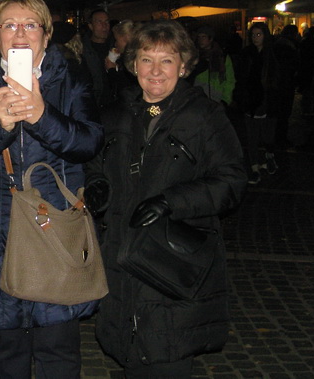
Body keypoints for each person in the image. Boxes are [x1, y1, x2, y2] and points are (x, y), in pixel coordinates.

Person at [0, 0, 103, 378]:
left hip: (56, 229)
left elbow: (89, 142)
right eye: (9, 25)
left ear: (46, 35)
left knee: (58, 347)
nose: (20, 34)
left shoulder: (71, 80)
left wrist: (41, 116)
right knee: (9, 349)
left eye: (30, 25)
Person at [84, 19, 246, 378]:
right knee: (130, 353)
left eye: (167, 60)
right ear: (133, 64)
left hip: (172, 257)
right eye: (146, 59)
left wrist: (173, 201)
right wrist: (96, 184)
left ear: (183, 66)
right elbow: (94, 163)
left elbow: (232, 181)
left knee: (166, 357)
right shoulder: (115, 114)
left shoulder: (204, 116)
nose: (155, 71)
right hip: (121, 256)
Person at [235, 22, 279, 184]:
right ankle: (254, 167)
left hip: (268, 100)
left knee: (268, 134)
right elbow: (241, 78)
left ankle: (269, 157)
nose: (255, 38)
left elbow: (278, 80)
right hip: (250, 100)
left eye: (259, 34)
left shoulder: (272, 54)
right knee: (252, 136)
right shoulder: (247, 54)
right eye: (253, 35)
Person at [191, 24, 236, 106]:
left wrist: (225, 99)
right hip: (199, 99)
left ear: (210, 39)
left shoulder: (222, 56)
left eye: (203, 37)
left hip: (217, 98)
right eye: (199, 37)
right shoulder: (194, 56)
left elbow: (229, 79)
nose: (201, 40)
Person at [81, 8, 112, 108]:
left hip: (113, 103)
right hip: (93, 103)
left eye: (107, 22)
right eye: (99, 22)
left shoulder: (115, 47)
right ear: (91, 26)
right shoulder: (83, 50)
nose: (104, 26)